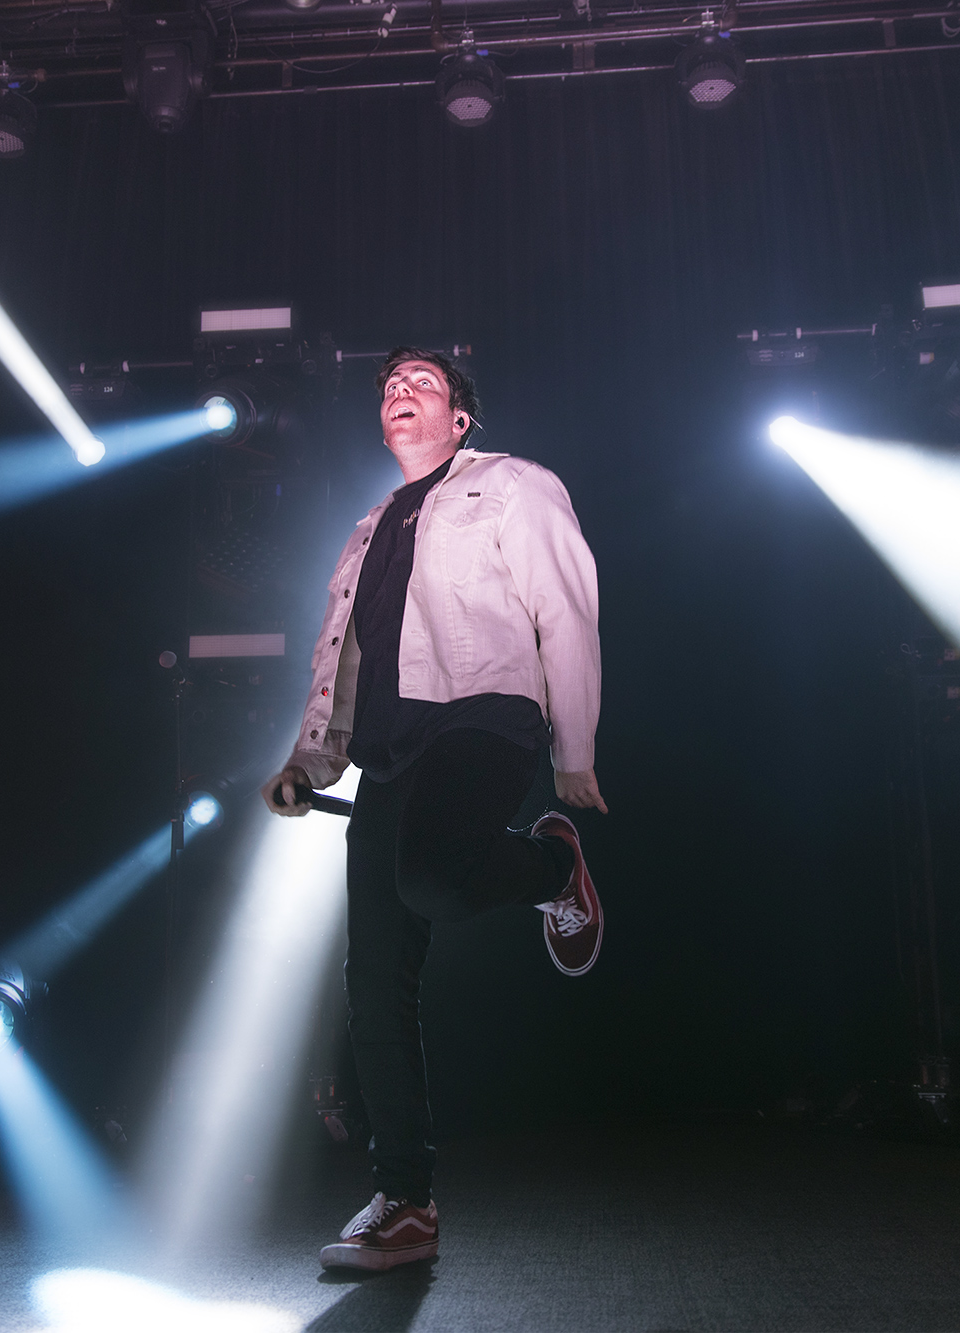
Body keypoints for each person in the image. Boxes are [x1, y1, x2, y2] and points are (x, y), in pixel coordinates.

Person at [261, 347, 605, 1272]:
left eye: (421, 383)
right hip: (390, 752)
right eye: (389, 388)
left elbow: (566, 604)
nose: (399, 393)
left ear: (460, 418)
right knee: (374, 981)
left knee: (434, 879)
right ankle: (406, 1202)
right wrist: (307, 762)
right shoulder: (367, 530)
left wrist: (574, 748)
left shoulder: (514, 485)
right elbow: (337, 663)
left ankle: (553, 863)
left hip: (485, 716)